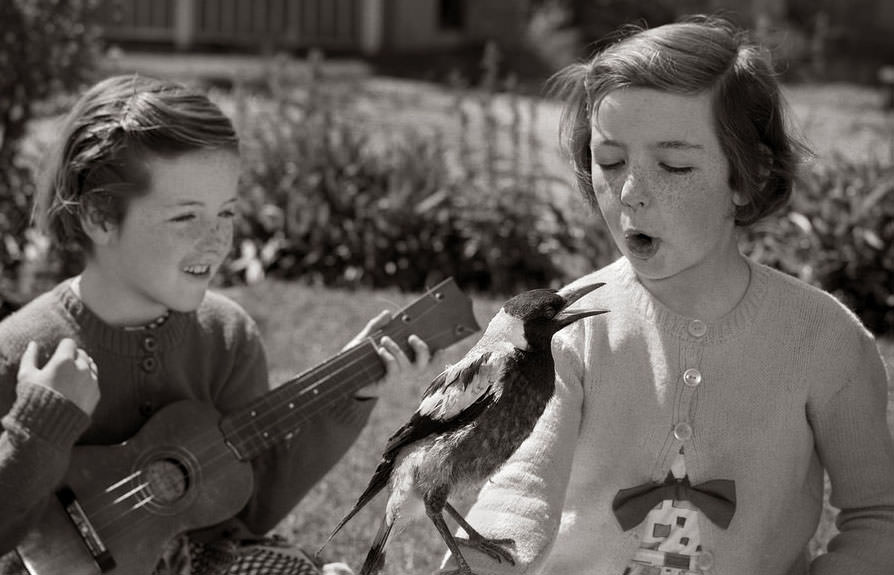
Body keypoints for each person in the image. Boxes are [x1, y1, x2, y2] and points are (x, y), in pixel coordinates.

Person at [440, 15, 894, 575]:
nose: (631, 192)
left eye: (674, 165)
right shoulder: (568, 326)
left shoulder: (827, 339)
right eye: (609, 161)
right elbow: (523, 484)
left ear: (747, 174)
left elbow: (879, 514)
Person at [0, 74, 431, 575]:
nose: (216, 241)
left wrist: (347, 396)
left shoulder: (226, 335)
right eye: (186, 218)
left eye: (225, 212)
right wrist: (40, 425)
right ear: (99, 216)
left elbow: (250, 508)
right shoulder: (21, 352)